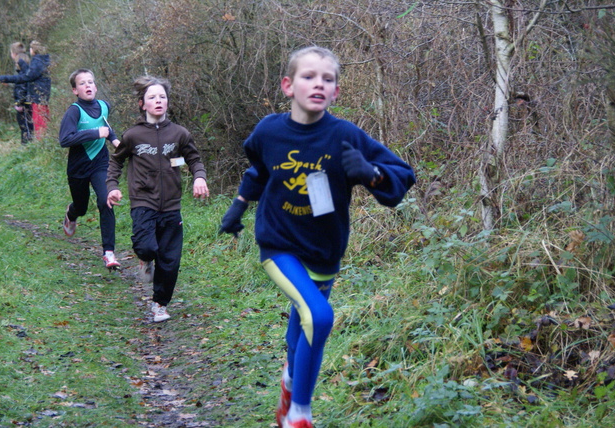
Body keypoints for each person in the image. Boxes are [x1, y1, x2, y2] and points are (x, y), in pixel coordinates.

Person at [219, 46, 416, 428]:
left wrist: (371, 172)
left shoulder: (344, 135)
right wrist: (240, 204)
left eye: (328, 79)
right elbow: (260, 169)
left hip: (325, 251)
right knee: (319, 317)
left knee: (302, 328)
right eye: (309, 76)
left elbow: (401, 175)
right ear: (288, 86)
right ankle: (299, 415)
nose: (319, 84)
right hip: (279, 245)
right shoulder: (269, 131)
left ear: (337, 92)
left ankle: (290, 383)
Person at [106, 76, 209, 323]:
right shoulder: (133, 135)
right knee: (147, 248)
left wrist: (199, 178)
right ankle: (145, 259)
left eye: (162, 96)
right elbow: (116, 161)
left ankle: (159, 304)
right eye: (152, 97)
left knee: (170, 261)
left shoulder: (180, 133)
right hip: (143, 201)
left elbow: (194, 159)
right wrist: (112, 186)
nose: (158, 100)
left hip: (172, 205)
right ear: (143, 104)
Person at [59, 69, 121, 269]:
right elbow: (65, 139)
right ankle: (71, 213)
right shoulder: (74, 111)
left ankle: (109, 253)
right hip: (78, 167)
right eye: (82, 83)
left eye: (90, 82)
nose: (87, 85)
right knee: (82, 207)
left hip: (100, 163)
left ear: (95, 86)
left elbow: (106, 127)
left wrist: (116, 141)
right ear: (75, 90)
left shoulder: (104, 106)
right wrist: (95, 133)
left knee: (106, 201)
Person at [0, 40, 51, 139]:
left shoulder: (37, 62)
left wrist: (6, 78)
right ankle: (40, 144)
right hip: (40, 96)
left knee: (38, 124)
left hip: (37, 97)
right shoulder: (40, 61)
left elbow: (26, 78)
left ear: (32, 50)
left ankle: (41, 145)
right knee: (40, 123)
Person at [7, 42, 34, 144]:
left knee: (25, 125)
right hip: (29, 101)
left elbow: (22, 86)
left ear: (14, 53)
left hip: (25, 103)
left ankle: (26, 145)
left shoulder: (20, 65)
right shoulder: (27, 62)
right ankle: (28, 144)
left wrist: (19, 103)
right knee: (28, 124)